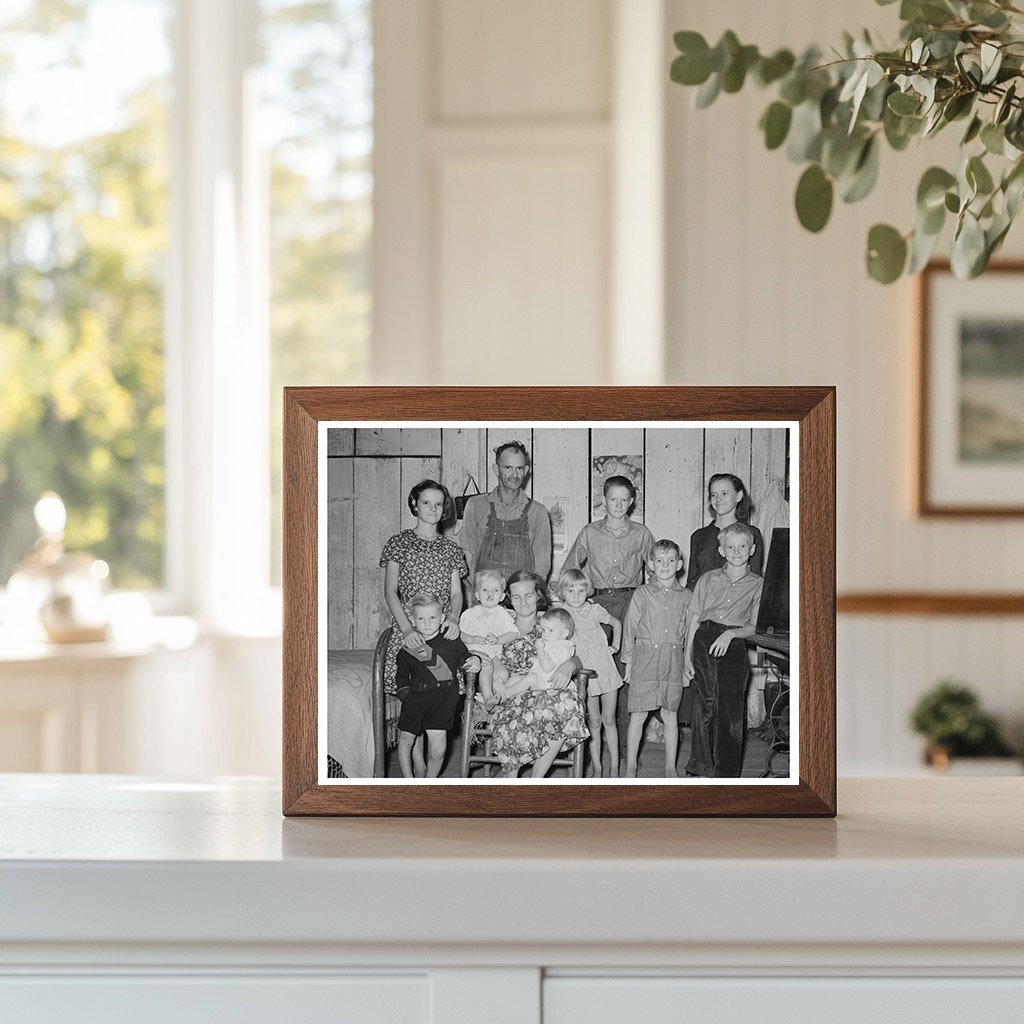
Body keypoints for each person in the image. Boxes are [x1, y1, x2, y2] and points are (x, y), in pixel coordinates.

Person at [563, 474, 654, 762]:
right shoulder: (590, 532)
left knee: (625, 672)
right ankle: (586, 751)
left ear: (631, 502)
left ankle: (627, 749)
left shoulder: (641, 533)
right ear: (603, 500)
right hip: (598, 604)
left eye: (624, 500)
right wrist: (573, 602)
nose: (618, 504)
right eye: (612, 499)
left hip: (631, 602)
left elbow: (655, 572)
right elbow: (568, 570)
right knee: (591, 672)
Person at [380, 480, 469, 744]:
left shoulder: (451, 549)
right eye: (426, 502)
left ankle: (431, 764)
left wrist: (453, 618)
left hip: (439, 628)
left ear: (445, 510)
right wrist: (407, 629)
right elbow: (390, 591)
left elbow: (456, 594)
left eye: (439, 504)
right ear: (414, 505)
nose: (433, 508)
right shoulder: (399, 543)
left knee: (439, 693)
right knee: (414, 698)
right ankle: (415, 764)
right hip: (411, 630)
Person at [489, 570, 589, 778]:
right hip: (512, 690)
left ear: (538, 595)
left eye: (528, 595)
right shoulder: (500, 623)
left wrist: (570, 664)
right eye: (516, 596)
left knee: (565, 702)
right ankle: (512, 778)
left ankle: (536, 779)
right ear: (508, 598)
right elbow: (482, 652)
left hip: (545, 689)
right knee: (555, 705)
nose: (523, 602)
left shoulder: (551, 622)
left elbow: (574, 650)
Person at [683, 522, 764, 778]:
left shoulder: (758, 584)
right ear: (722, 549)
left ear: (751, 549)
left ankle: (726, 773)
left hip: (734, 642)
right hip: (705, 639)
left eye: (742, 546)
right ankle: (700, 766)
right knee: (703, 705)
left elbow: (756, 626)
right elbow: (694, 618)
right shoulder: (708, 579)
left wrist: (731, 634)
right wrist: (687, 657)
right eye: (731, 546)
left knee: (730, 709)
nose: (736, 551)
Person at [621, 539, 692, 778]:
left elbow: (689, 631)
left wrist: (686, 664)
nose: (665, 565)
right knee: (638, 714)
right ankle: (631, 765)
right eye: (659, 560)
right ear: (651, 564)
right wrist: (629, 662)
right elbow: (630, 628)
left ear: (679, 564)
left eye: (671, 560)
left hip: (673, 659)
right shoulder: (642, 593)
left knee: (670, 715)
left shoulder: (686, 596)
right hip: (644, 659)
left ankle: (670, 767)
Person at [395, 593, 480, 778]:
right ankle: (408, 782)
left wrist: (475, 660)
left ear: (442, 618)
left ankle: (429, 782)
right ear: (413, 621)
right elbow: (401, 678)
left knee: (438, 751)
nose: (427, 623)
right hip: (415, 702)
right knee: (405, 742)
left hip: (443, 703)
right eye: (421, 618)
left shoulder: (451, 639)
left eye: (432, 618)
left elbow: (464, 658)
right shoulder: (409, 647)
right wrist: (408, 699)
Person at [555, 568, 622, 778]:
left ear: (588, 591)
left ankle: (614, 767)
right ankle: (597, 767)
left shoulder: (595, 610)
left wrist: (615, 646)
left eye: (581, 590)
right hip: (585, 674)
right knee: (593, 721)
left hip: (606, 669)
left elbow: (616, 623)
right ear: (562, 592)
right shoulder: (562, 614)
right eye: (570, 590)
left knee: (609, 718)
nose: (576, 595)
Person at [459, 441, 552, 582]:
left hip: (520, 597)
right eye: (508, 467)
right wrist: (479, 592)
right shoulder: (476, 506)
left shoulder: (538, 512)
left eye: (519, 468)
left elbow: (542, 566)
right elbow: (467, 555)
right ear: (496, 470)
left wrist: (528, 597)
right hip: (484, 595)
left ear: (526, 471)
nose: (514, 475)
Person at [685, 473, 764, 591]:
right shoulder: (699, 536)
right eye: (713, 495)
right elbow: (691, 580)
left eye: (724, 493)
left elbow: (753, 579)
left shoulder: (752, 533)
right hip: (702, 604)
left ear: (739, 496)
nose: (718, 499)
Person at [458, 570, 519, 709]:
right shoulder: (470, 613)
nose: (490, 594)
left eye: (495, 590)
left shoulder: (502, 613)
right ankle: (488, 699)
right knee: (487, 666)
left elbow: (513, 633)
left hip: (493, 652)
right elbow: (459, 634)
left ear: (502, 596)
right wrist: (471, 638)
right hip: (473, 653)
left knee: (503, 673)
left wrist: (498, 639)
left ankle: (488, 693)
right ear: (477, 594)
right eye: (485, 590)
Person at [494, 608, 575, 696]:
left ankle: (505, 694)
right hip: (542, 681)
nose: (545, 634)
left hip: (552, 686)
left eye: (550, 630)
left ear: (564, 633)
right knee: (515, 679)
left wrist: (540, 649)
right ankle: (496, 697)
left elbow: (547, 668)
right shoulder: (552, 643)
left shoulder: (560, 648)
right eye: (543, 630)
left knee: (531, 678)